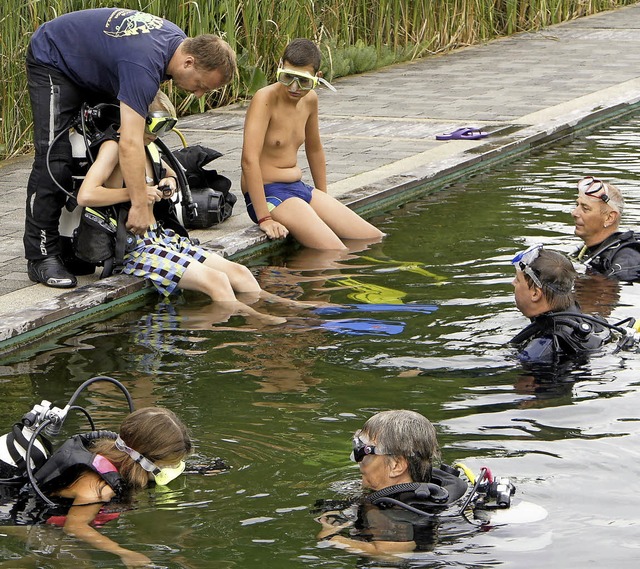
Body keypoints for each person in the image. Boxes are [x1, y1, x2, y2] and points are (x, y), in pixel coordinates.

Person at [25, 8, 236, 288]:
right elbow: (130, 144)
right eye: (200, 86)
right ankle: (42, 256)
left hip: (94, 65)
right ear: (188, 62)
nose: (197, 95)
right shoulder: (145, 63)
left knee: (98, 146)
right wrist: (138, 204)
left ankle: (74, 245)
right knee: (56, 157)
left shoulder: (176, 45)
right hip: (53, 56)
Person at [77, 91, 290, 325]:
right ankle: (257, 322)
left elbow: (170, 174)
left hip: (162, 237)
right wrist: (134, 193)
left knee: (240, 273)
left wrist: (170, 183)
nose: (158, 135)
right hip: (134, 246)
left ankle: (283, 306)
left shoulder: (149, 147)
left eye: (166, 128)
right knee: (216, 281)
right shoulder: (114, 146)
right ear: (139, 119)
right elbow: (86, 195)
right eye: (157, 126)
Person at [1, 406, 191, 568]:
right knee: (77, 560)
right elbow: (75, 527)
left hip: (46, 512)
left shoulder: (112, 451)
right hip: (18, 516)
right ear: (147, 461)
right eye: (166, 465)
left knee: (55, 552)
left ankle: (36, 556)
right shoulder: (98, 487)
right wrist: (123, 552)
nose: (167, 470)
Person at [240, 38, 385, 251]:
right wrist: (264, 219)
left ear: (317, 78)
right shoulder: (265, 99)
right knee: (337, 251)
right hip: (269, 193)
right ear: (280, 67)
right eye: (288, 77)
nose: (294, 87)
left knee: (373, 237)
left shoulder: (310, 100)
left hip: (299, 188)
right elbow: (248, 160)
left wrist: (323, 197)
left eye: (303, 81)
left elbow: (314, 149)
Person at [315, 410, 477, 555]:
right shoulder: (421, 496)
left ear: (396, 465)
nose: (358, 461)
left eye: (363, 452)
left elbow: (388, 555)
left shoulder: (397, 512)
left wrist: (330, 536)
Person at [510, 244, 610, 363]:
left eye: (518, 280)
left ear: (535, 294)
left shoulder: (539, 350)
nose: (513, 283)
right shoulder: (591, 322)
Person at [571, 176, 640, 282]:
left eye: (585, 208)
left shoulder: (627, 260)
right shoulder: (584, 252)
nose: (574, 213)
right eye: (577, 205)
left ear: (609, 218)